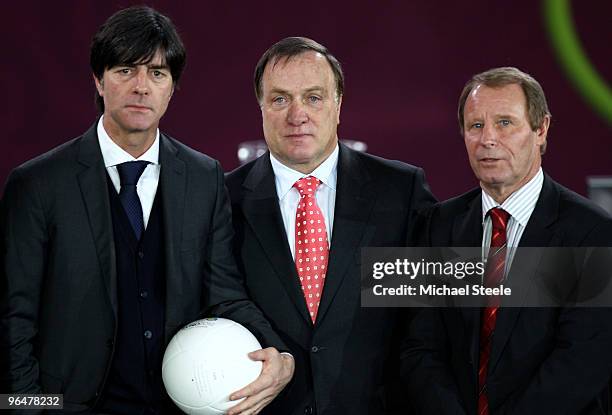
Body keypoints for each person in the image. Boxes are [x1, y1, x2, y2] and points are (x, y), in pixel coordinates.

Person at [0, 6, 293, 414]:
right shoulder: (38, 184)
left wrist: (278, 351)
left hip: (176, 406)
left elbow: (225, 294)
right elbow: (13, 318)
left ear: (172, 88)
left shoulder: (203, 176)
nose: (142, 86)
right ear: (98, 81)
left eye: (157, 73)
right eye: (125, 70)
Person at [225, 36, 436, 414]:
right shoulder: (223, 200)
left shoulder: (400, 192)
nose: (297, 114)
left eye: (314, 97)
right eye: (279, 99)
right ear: (260, 107)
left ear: (339, 105)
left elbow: (434, 311)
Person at [401, 67, 612, 414]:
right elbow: (418, 348)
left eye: (504, 123)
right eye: (476, 126)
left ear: (540, 129)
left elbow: (582, 361)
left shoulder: (592, 233)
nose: (488, 140)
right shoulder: (434, 226)